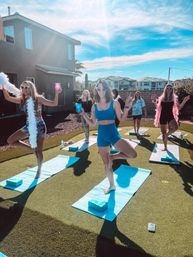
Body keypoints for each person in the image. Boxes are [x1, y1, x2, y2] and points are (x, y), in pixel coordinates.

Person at [81, 80, 137, 194]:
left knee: (132, 154)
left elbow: (121, 119)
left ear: (107, 90)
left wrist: (126, 108)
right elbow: (92, 123)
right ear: (96, 90)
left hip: (113, 133)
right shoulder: (94, 106)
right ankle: (112, 185)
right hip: (101, 136)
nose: (101, 91)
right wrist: (83, 114)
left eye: (103, 89)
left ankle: (112, 157)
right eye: (98, 89)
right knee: (106, 165)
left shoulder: (114, 103)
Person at [2, 80, 62, 177]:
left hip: (40, 127)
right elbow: (7, 97)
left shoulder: (38, 98)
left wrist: (57, 93)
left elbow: (54, 103)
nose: (24, 89)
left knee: (39, 151)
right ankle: (30, 148)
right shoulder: (22, 100)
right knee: (10, 140)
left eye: (26, 87)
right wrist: (3, 85)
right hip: (29, 126)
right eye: (22, 87)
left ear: (31, 88)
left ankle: (39, 169)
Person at [152, 83, 190, 151]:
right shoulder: (161, 98)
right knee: (163, 133)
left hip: (170, 116)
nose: (169, 89)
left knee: (175, 127)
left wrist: (184, 101)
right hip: (162, 116)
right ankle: (165, 147)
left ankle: (167, 135)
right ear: (165, 89)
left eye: (170, 88)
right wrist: (155, 102)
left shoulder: (174, 98)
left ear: (172, 89)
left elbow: (179, 107)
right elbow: (158, 108)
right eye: (167, 88)